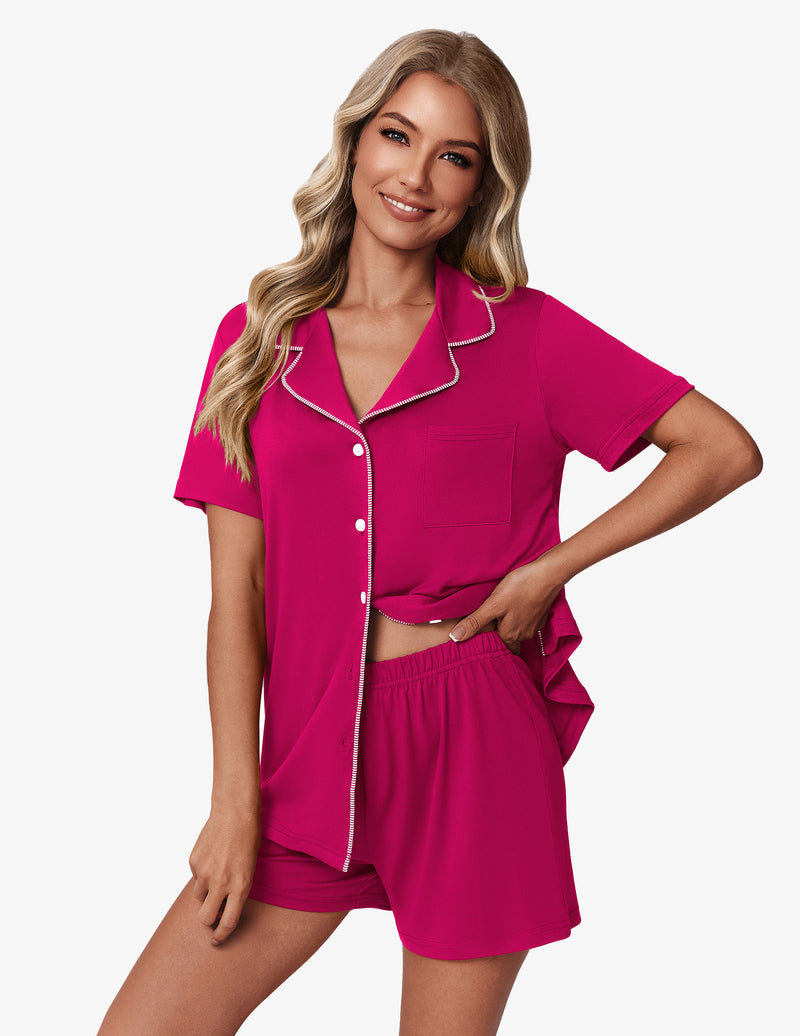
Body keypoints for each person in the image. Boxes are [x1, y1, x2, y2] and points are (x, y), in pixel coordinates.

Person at [98, 28, 762, 1036]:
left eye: (453, 156)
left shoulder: (527, 335)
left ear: (481, 184)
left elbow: (719, 448)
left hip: (472, 739)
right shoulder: (255, 342)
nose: (414, 176)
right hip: (310, 748)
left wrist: (550, 569)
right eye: (397, 136)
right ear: (355, 140)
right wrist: (233, 801)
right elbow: (238, 593)